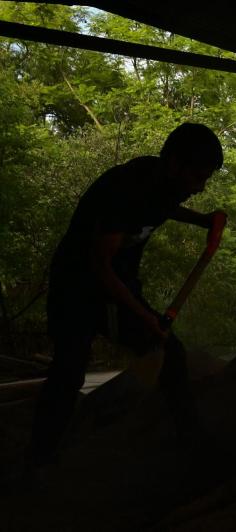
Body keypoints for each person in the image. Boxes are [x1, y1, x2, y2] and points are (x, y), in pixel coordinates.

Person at [27, 122, 225, 469]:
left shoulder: (163, 184)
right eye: (196, 176)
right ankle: (38, 460)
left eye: (205, 179)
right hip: (76, 287)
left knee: (171, 353)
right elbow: (100, 267)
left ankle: (192, 446)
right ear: (174, 164)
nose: (199, 187)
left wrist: (202, 221)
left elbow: (164, 207)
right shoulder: (124, 190)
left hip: (118, 282)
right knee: (68, 372)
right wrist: (149, 319)